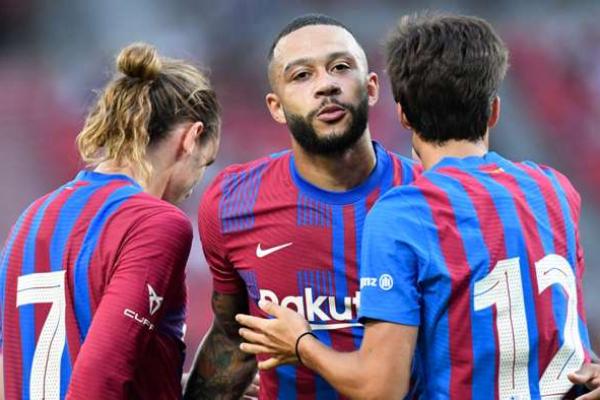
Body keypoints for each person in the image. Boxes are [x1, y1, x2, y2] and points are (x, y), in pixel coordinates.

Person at [236, 13, 600, 399]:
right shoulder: (554, 189)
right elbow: (562, 333)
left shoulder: (403, 214)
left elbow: (381, 389)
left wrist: (301, 343)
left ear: (403, 115)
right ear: (494, 110)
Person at [183, 14, 420, 400]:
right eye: (302, 75)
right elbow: (232, 335)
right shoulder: (232, 202)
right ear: (276, 107)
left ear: (372, 87)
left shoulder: (426, 196)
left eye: (340, 67)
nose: (326, 85)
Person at [0, 42, 220, 399]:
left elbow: (13, 369)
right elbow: (102, 375)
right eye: (204, 163)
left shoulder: (31, 219)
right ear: (190, 139)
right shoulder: (156, 223)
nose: (196, 183)